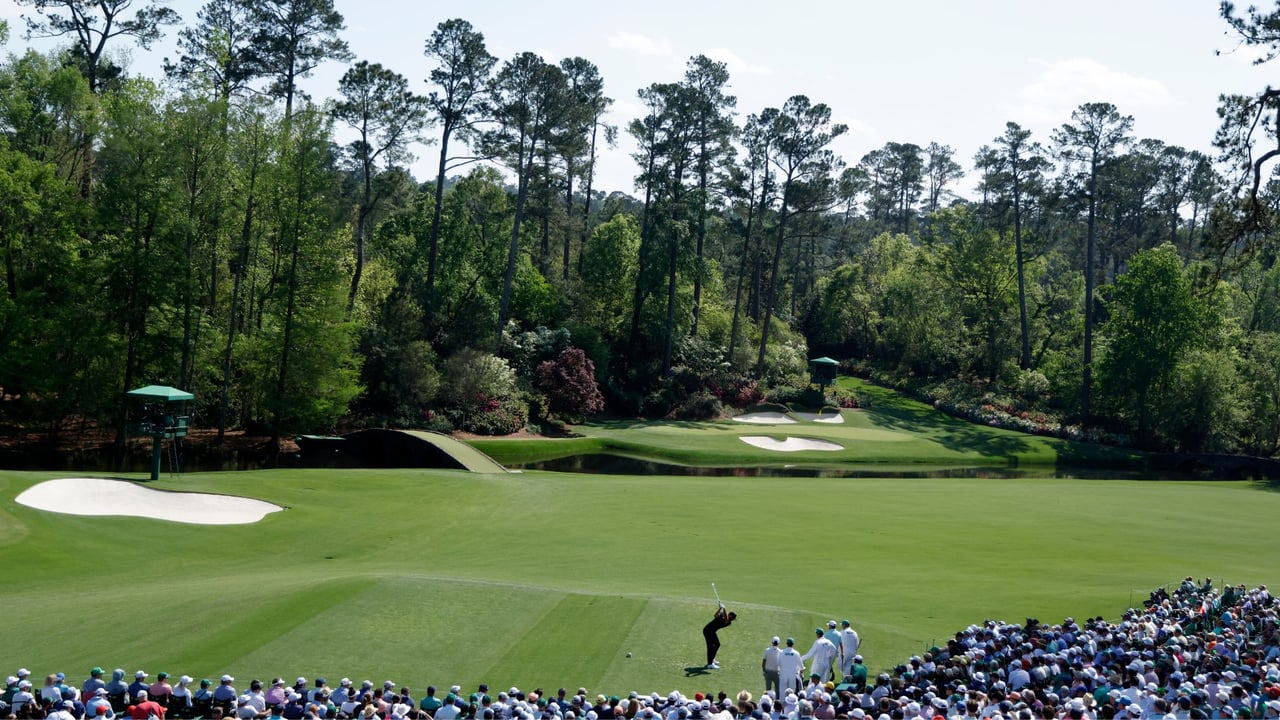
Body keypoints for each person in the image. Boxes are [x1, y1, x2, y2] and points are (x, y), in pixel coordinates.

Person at [702, 605, 737, 669]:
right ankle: (710, 664)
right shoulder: (722, 615)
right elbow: (715, 615)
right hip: (707, 630)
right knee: (710, 646)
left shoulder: (728, 622)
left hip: (712, 632)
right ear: (730, 616)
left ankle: (712, 659)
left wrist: (723, 609)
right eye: (732, 618)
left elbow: (726, 620)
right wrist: (720, 608)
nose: (733, 620)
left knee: (717, 644)